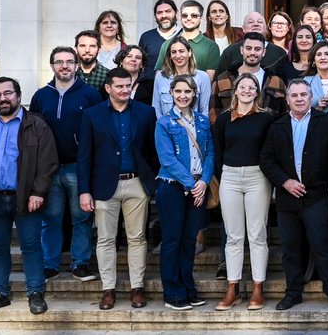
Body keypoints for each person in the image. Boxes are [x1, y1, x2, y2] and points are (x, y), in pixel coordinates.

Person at [0, 77, 58, 317]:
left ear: (18, 95)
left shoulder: (36, 125)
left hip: (26, 199)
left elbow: (47, 163)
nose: (2, 98)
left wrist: (38, 192)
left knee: (31, 246)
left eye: (8, 93)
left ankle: (35, 293)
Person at [259, 80, 328, 311]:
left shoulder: (325, 122)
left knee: (321, 244)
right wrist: (284, 182)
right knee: (291, 248)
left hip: (316, 195)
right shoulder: (277, 126)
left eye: (303, 95)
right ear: (287, 99)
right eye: (294, 95)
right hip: (287, 198)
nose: (299, 99)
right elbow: (266, 160)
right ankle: (293, 293)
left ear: (310, 97)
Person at [78, 67, 158, 310]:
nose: (125, 90)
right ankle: (108, 289)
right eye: (120, 86)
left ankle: (137, 288)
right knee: (105, 239)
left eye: (128, 86)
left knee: (137, 238)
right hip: (103, 185)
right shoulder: (92, 115)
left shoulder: (146, 112)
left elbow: (153, 152)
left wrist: (151, 183)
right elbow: (85, 155)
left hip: (137, 184)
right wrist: (84, 190)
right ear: (108, 88)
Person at [29, 47, 102, 282]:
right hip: (49, 169)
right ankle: (50, 263)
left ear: (77, 65)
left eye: (69, 62)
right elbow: (32, 134)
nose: (64, 66)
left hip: (78, 167)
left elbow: (97, 133)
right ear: (51, 66)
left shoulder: (89, 95)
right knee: (50, 218)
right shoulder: (41, 96)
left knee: (81, 218)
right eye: (59, 62)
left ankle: (80, 263)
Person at [212, 73, 275, 311]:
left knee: (257, 233)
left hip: (257, 176)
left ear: (257, 92)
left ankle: (258, 287)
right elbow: (218, 149)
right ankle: (233, 287)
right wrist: (223, 174)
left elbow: (271, 150)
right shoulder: (224, 119)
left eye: (252, 87)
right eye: (243, 87)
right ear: (235, 91)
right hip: (229, 176)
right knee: (234, 235)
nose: (247, 90)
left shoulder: (266, 118)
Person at [154, 74, 214, 311]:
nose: (183, 96)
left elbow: (210, 153)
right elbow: (167, 158)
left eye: (187, 92)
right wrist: (191, 184)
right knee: (172, 241)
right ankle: (172, 292)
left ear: (194, 94)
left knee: (189, 241)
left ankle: (188, 289)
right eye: (178, 91)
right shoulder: (164, 123)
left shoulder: (202, 120)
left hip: (198, 188)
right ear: (171, 94)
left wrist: (204, 182)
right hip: (173, 188)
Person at [211, 31, 287, 117]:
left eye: (257, 49)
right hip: (230, 128)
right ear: (241, 50)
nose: (252, 53)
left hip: (267, 129)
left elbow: (284, 115)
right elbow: (213, 114)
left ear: (264, 52)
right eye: (248, 48)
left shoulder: (276, 82)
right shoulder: (223, 80)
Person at [154, 0, 221, 77]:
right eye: (185, 15)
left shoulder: (211, 46)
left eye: (194, 15)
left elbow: (209, 80)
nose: (189, 18)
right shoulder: (167, 44)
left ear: (201, 19)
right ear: (180, 17)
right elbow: (159, 75)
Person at [152, 36, 212, 119]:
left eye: (181, 51)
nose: (177, 55)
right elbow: (156, 108)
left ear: (189, 52)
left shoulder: (202, 77)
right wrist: (164, 127)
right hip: (166, 128)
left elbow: (204, 110)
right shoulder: (161, 76)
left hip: (193, 128)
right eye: (173, 52)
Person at [219, 12, 292, 77]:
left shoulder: (280, 53)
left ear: (266, 28)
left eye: (260, 22)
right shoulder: (230, 52)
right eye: (251, 22)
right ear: (243, 28)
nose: (256, 24)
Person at [138, 0, 179, 75]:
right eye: (159, 12)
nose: (164, 15)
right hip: (150, 85)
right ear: (155, 16)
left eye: (168, 11)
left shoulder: (184, 35)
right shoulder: (146, 37)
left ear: (176, 12)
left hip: (181, 85)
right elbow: (140, 65)